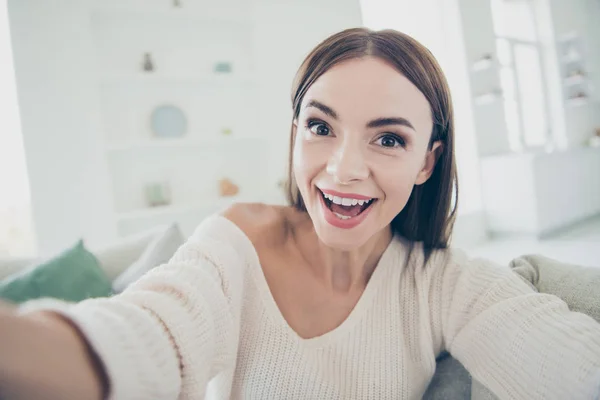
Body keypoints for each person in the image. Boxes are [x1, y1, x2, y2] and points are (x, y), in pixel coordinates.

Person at [0, 27, 599, 400]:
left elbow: (568, 364)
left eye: (387, 139)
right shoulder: (238, 242)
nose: (342, 169)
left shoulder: (441, 283)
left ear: (426, 160)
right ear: (294, 135)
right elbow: (148, 337)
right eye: (320, 127)